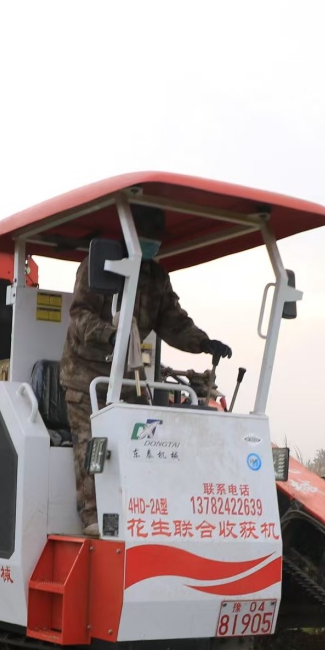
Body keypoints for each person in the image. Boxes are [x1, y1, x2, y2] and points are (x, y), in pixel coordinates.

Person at [60, 206, 231, 536]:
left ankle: (143, 513)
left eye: (157, 240)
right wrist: (113, 333)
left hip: (129, 379)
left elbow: (173, 322)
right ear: (130, 236)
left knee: (146, 443)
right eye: (147, 238)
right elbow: (79, 316)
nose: (153, 246)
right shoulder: (99, 266)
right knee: (93, 443)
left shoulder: (156, 278)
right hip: (86, 378)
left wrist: (204, 343)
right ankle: (94, 518)